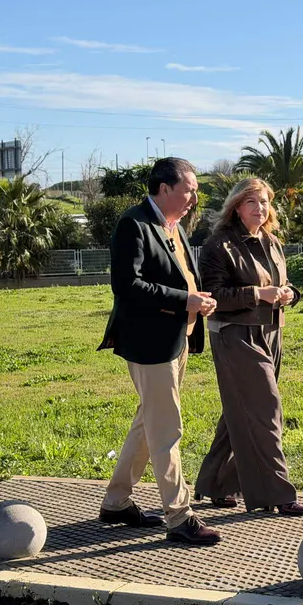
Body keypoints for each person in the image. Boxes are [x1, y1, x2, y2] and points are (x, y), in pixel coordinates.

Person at [97, 157, 222, 546]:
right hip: (149, 344)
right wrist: (184, 299)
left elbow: (180, 276)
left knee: (148, 424)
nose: (193, 197)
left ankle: (116, 503)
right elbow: (127, 287)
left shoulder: (175, 227)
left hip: (177, 340)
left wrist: (198, 301)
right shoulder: (133, 225)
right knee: (167, 429)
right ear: (164, 188)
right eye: (189, 189)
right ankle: (179, 516)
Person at [193, 177, 303, 516]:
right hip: (235, 335)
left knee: (240, 411)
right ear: (236, 207)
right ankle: (276, 492)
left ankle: (216, 482)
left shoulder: (272, 241)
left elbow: (280, 285)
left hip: (271, 332)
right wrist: (259, 295)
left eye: (264, 202)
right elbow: (214, 297)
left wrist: (290, 294)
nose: (260, 209)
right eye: (252, 203)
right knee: (265, 409)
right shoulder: (219, 245)